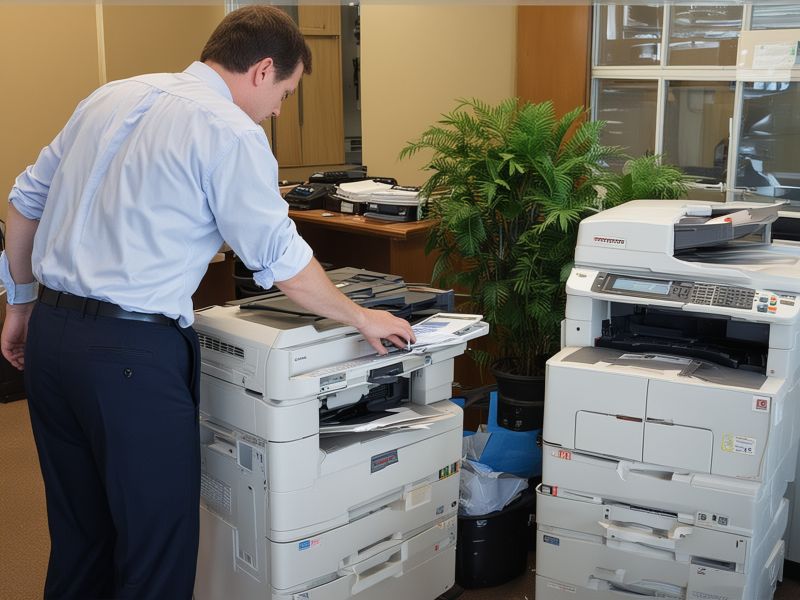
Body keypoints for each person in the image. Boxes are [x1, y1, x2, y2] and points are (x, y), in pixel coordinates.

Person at [0, 6, 414, 599]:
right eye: (285, 94)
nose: (276, 111)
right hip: (130, 359)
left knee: (79, 539)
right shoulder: (228, 130)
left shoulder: (111, 95)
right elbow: (283, 262)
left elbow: (24, 204)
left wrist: (19, 307)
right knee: (154, 550)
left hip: (53, 339)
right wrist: (359, 314)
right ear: (262, 69)